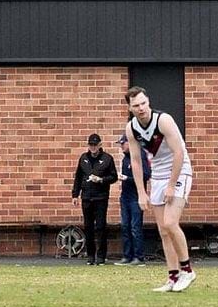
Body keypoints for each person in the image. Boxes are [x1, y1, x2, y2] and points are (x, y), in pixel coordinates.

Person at [124, 86, 196, 292]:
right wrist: (141, 192)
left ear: (148, 102)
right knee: (163, 231)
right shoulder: (131, 128)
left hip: (179, 170)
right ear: (130, 108)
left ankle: (188, 270)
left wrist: (172, 186)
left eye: (143, 103)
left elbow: (179, 153)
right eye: (136, 105)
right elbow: (136, 162)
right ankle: (172, 277)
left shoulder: (163, 120)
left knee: (171, 222)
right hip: (157, 175)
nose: (141, 108)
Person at [71, 133, 118, 265]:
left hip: (101, 197)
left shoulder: (107, 159)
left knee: (101, 226)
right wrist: (75, 194)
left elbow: (113, 177)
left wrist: (101, 180)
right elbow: (78, 177)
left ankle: (101, 256)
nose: (93, 147)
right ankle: (90, 256)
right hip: (86, 197)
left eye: (95, 145)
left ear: (100, 145)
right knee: (88, 226)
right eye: (91, 145)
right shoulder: (83, 158)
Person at [113, 133, 150, 266]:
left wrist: (127, 179)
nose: (121, 146)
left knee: (135, 227)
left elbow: (146, 175)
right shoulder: (125, 159)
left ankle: (138, 257)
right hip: (126, 196)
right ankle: (127, 256)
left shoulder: (141, 156)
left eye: (123, 143)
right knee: (125, 226)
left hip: (136, 197)